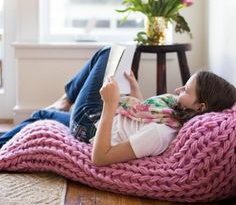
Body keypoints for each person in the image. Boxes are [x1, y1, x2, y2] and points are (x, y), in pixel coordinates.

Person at [0, 46, 236, 166]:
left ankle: (66, 100)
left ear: (201, 107)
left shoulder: (161, 133)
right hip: (97, 121)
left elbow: (100, 158)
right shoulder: (170, 117)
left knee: (108, 51)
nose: (177, 91)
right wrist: (134, 90)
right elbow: (139, 122)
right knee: (42, 114)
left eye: (185, 90)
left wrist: (111, 104)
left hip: (90, 122)